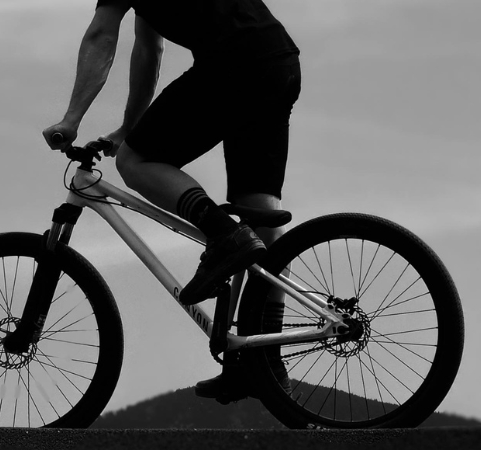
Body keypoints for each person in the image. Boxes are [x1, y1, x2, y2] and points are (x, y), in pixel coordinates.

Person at [42, 0, 300, 400]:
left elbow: (101, 35)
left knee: (135, 161)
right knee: (259, 210)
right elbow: (149, 48)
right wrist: (129, 126)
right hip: (275, 60)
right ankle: (264, 358)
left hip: (233, 61)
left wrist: (71, 119)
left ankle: (222, 235)